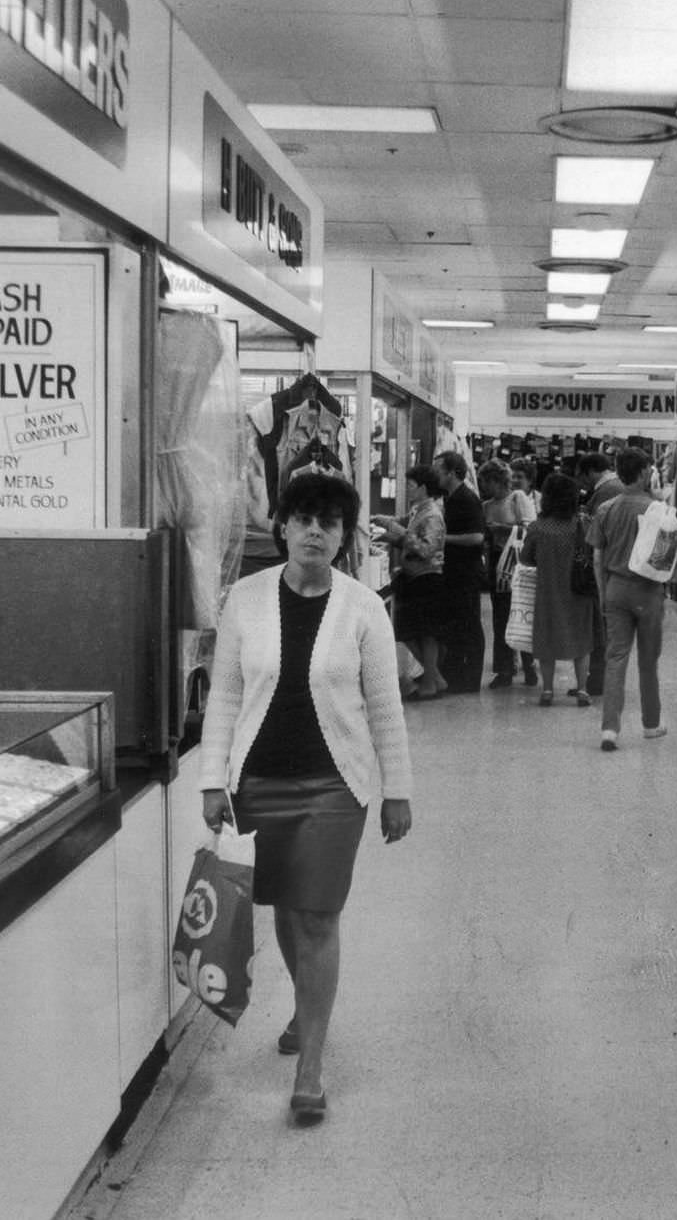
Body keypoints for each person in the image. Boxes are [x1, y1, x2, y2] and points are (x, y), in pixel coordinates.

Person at [198, 471, 414, 1128]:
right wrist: (212, 777)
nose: (315, 530)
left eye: (329, 521)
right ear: (283, 527)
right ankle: (304, 1004)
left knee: (316, 915)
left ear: (345, 536)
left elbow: (384, 706)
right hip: (257, 780)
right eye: (303, 518)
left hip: (332, 786)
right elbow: (227, 695)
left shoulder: (362, 607)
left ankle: (310, 1064)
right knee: (287, 912)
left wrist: (396, 789)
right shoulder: (245, 598)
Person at [588, 447, 667, 751]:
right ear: (646, 472)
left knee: (615, 658)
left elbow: (597, 557)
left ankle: (609, 728)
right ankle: (651, 723)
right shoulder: (658, 509)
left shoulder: (606, 508)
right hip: (649, 591)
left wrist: (603, 592)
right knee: (648, 660)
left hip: (615, 588)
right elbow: (666, 559)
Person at [520, 472, 599, 707]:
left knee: (546, 641)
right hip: (578, 591)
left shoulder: (537, 527)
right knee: (582, 641)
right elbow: (594, 554)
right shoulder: (582, 524)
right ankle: (583, 690)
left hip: (548, 592)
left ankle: (547, 690)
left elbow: (526, 558)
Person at [374, 465, 447, 700]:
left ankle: (430, 680)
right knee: (411, 631)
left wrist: (400, 533)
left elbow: (426, 548)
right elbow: (406, 529)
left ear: (423, 488)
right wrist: (387, 528)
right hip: (415, 576)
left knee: (425, 632)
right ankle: (434, 677)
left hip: (427, 577)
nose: (408, 489)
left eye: (411, 485)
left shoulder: (433, 514)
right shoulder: (419, 511)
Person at [433, 450, 489, 694]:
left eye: (438, 469)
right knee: (457, 625)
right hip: (455, 571)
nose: (435, 474)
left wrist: (444, 539)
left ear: (452, 472)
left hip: (466, 573)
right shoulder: (450, 498)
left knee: (468, 625)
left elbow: (477, 536)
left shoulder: (467, 499)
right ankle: (456, 676)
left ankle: (470, 679)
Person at [479, 458, 538, 689]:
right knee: (501, 617)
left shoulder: (518, 499)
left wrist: (503, 530)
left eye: (486, 482)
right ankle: (504, 669)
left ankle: (529, 665)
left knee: (522, 614)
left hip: (518, 564)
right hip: (497, 564)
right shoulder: (486, 506)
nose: (484, 487)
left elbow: (531, 529)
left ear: (496, 480)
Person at [577, 452, 625, 696]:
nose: (583, 484)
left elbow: (597, 537)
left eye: (583, 478)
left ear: (590, 472)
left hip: (606, 569)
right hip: (617, 568)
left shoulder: (606, 492)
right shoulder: (616, 487)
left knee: (600, 627)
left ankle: (598, 679)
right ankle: (599, 678)